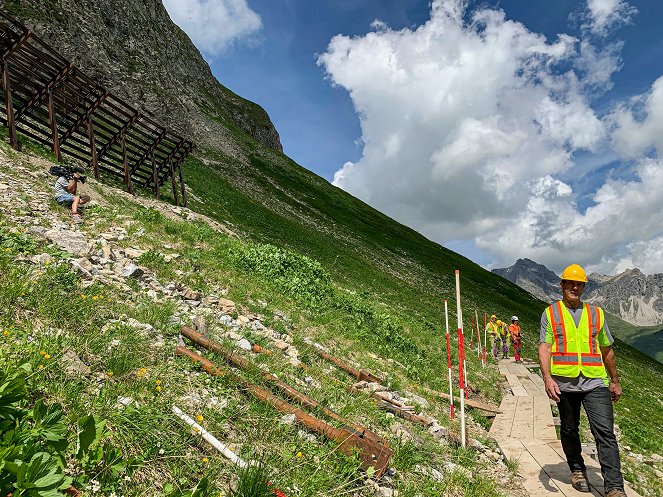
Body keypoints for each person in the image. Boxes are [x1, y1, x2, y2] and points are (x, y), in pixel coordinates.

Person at [538, 264, 626, 497]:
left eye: (579, 284)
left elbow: (607, 349)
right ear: (562, 285)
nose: (575, 287)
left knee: (605, 432)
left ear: (584, 287)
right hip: (564, 383)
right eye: (570, 283)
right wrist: (547, 378)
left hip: (595, 381)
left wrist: (614, 381)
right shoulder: (551, 313)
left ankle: (614, 487)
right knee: (569, 429)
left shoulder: (596, 314)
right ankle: (576, 470)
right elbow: (545, 348)